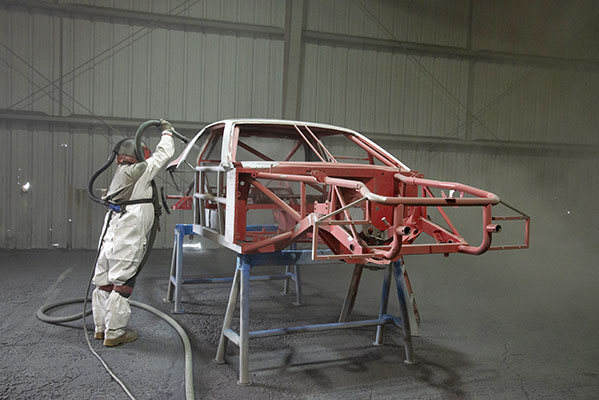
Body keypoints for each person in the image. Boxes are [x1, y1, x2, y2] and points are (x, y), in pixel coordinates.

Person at [91, 119, 175, 347]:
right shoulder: (141, 171)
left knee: (103, 282)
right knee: (123, 283)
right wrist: (167, 132)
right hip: (127, 233)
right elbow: (164, 154)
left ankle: (100, 328)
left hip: (111, 233)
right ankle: (115, 333)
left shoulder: (119, 174)